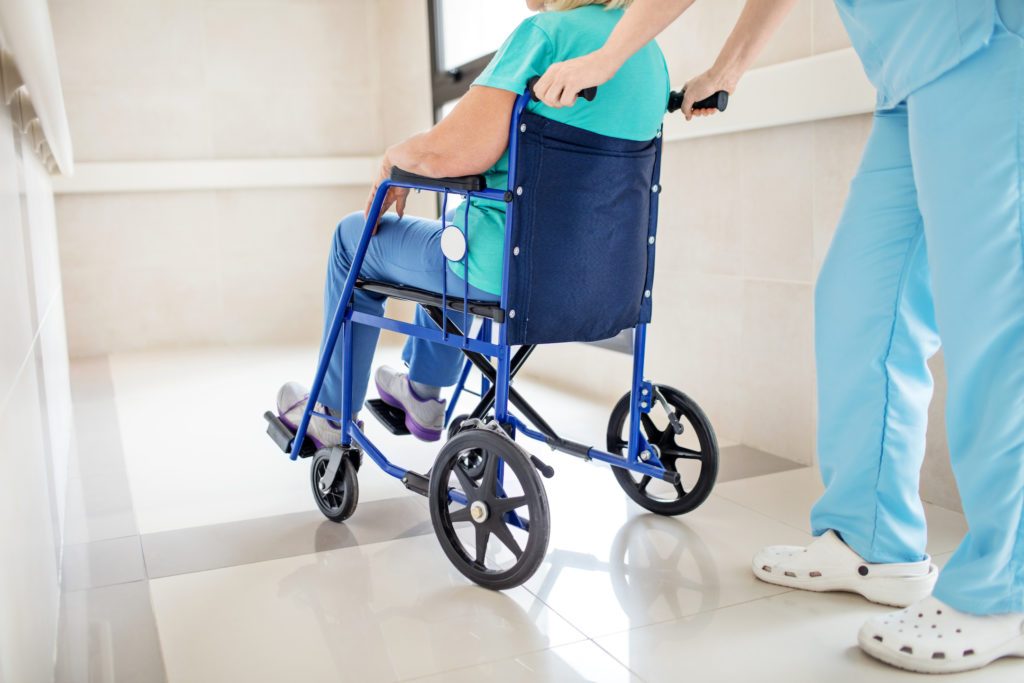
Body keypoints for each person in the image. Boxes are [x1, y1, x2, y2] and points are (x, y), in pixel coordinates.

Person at [534, 0, 1024, 674]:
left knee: (993, 313)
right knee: (858, 302)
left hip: (984, 43)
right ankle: (870, 537)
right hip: (907, 72)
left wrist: (606, 55)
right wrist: (729, 67)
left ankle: (1008, 588)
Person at [277, 0, 669, 446]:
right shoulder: (647, 52)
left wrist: (394, 160)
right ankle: (421, 389)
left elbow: (455, 152)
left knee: (354, 237)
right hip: (605, 277)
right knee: (454, 239)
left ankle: (330, 411)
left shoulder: (546, 34)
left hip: (509, 268)